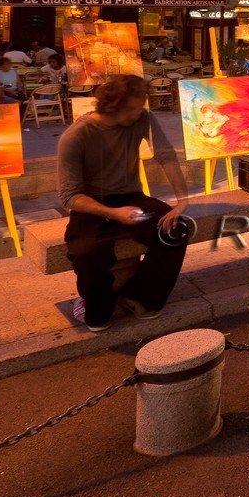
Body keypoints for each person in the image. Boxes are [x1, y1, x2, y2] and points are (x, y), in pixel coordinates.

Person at [58, 75, 191, 332]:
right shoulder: (77, 135)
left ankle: (138, 297)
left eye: (140, 106)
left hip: (130, 197)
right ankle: (98, 307)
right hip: (91, 204)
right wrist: (112, 213)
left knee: (176, 230)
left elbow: (166, 156)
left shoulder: (143, 119)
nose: (137, 113)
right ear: (111, 105)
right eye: (131, 108)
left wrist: (181, 201)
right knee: (88, 252)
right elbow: (69, 197)